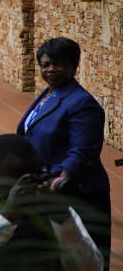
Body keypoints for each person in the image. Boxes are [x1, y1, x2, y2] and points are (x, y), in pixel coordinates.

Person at [0, 134, 103, 270]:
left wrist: (63, 219)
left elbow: (92, 267)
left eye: (33, 174)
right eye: (16, 176)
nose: (27, 183)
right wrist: (7, 215)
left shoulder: (49, 204)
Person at [16, 36, 111, 268]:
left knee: (84, 255)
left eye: (60, 63)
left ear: (74, 66)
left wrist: (60, 184)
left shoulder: (81, 103)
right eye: (46, 64)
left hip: (76, 192)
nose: (52, 69)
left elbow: (82, 153)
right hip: (47, 186)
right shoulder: (48, 94)